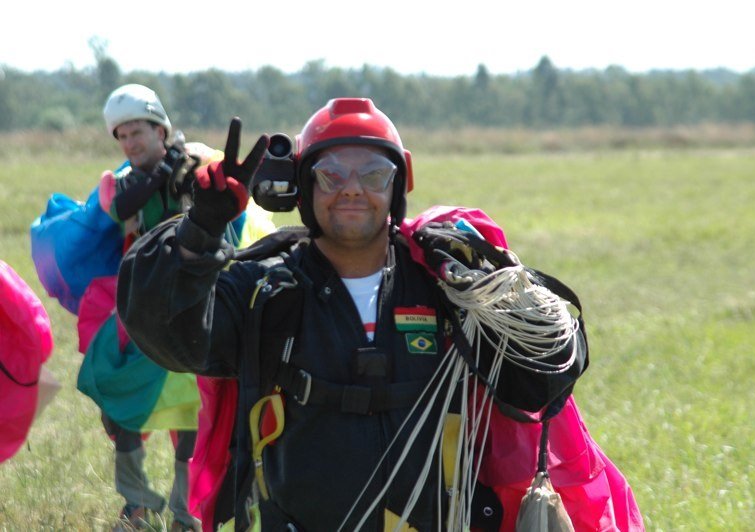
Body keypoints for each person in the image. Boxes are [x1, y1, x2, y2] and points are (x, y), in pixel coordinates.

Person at [117, 98, 591, 531]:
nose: (352, 190)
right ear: (302, 186)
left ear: (397, 187)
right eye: (331, 174)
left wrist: (506, 291)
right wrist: (200, 232)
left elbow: (539, 384)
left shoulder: (447, 290)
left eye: (372, 175)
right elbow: (169, 337)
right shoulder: (264, 291)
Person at [98, 83, 203, 532]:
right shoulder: (124, 182)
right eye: (121, 135)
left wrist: (180, 170)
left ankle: (187, 509)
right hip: (141, 312)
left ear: (160, 128)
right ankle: (137, 503)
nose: (130, 142)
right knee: (119, 405)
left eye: (137, 131)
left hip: (189, 308)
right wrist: (158, 173)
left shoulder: (193, 170)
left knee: (191, 411)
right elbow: (122, 205)